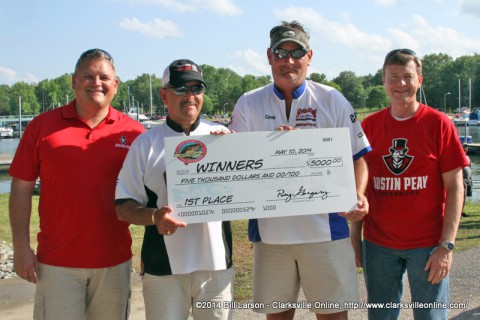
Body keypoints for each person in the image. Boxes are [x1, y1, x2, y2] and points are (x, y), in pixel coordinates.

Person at [229, 21, 371, 320]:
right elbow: (235, 167)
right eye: (281, 52)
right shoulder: (249, 102)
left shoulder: (331, 98)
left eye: (297, 53)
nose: (288, 61)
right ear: (269, 56)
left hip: (326, 233)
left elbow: (358, 158)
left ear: (310, 56)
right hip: (271, 237)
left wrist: (357, 195)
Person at [8, 48, 145, 319]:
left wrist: (218, 140)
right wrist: (22, 248)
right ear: (73, 81)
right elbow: (21, 188)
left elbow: (155, 192)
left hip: (114, 262)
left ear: (115, 85)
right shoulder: (42, 127)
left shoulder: (134, 133)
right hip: (57, 263)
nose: (96, 83)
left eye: (104, 77)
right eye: (88, 76)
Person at [351, 49, 469, 319]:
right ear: (383, 80)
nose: (400, 84)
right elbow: (360, 189)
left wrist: (446, 246)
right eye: (393, 77)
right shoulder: (369, 127)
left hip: (428, 244)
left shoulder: (439, 124)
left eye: (407, 76)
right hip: (378, 243)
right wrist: (354, 238)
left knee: (430, 315)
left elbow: (455, 188)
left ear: (420, 80)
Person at [115, 59, 234, 320]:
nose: (190, 96)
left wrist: (279, 143)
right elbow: (123, 207)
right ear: (164, 94)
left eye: (196, 88)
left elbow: (257, 190)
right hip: (163, 266)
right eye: (180, 88)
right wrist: (154, 217)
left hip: (215, 266)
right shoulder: (145, 144)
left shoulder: (223, 136)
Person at [462, 144, 472, 217]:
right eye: (464, 147)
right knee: (461, 196)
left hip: (468, 180)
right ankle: (458, 213)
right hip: (462, 179)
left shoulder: (468, 157)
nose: (466, 149)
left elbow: (469, 167)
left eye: (466, 148)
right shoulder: (459, 156)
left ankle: (462, 211)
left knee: (465, 197)